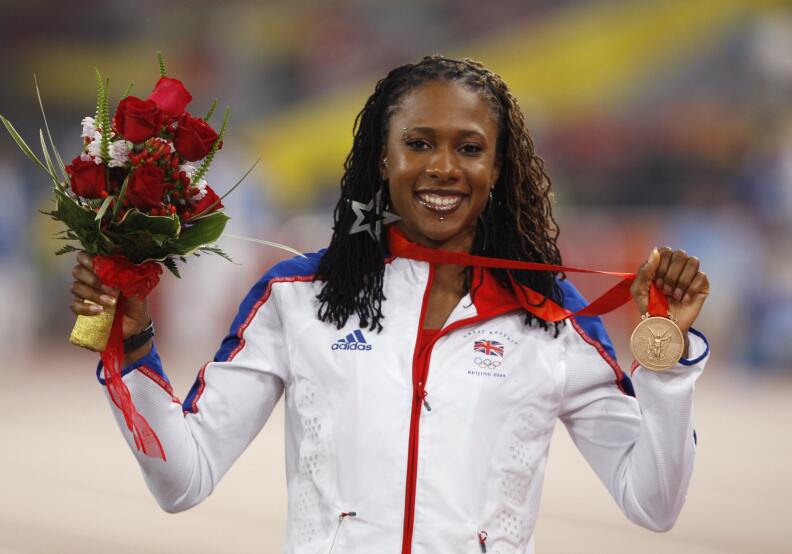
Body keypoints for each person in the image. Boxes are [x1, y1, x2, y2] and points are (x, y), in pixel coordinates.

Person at [69, 56, 710, 554]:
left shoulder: (552, 317)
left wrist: (668, 366)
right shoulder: (297, 297)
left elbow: (653, 504)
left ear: (498, 166)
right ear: (383, 156)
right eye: (420, 142)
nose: (443, 168)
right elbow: (183, 480)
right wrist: (132, 344)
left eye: (469, 147)